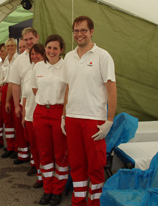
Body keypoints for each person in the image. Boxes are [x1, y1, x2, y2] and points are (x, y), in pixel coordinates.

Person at [61, 16, 117, 206]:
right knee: (76, 164)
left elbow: (111, 88)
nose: (79, 34)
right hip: (72, 118)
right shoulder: (68, 57)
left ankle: (95, 202)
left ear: (91, 31)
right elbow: (69, 87)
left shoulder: (102, 56)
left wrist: (109, 120)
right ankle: (78, 201)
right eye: (76, 30)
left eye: (83, 30)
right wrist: (63, 115)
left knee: (95, 166)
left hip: (93, 120)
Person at [31, 34, 69, 206]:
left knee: (60, 154)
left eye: (55, 48)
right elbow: (34, 89)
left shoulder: (66, 67)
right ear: (44, 49)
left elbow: (70, 91)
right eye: (49, 48)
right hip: (40, 112)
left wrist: (63, 114)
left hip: (58, 112)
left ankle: (58, 190)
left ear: (61, 50)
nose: (51, 51)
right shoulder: (38, 67)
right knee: (44, 153)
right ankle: (47, 189)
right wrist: (44, 102)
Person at [9, 27, 39, 165]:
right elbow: (15, 84)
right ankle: (25, 156)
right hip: (25, 102)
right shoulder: (19, 60)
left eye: (31, 38)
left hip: (42, 103)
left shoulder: (46, 55)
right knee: (26, 133)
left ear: (37, 38)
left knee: (39, 136)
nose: (28, 42)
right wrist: (16, 105)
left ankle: (37, 163)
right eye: (26, 39)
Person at [21, 43, 45, 189]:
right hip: (30, 115)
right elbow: (25, 95)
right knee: (34, 148)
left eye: (38, 54)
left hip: (42, 116)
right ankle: (40, 175)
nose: (35, 57)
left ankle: (49, 176)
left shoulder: (48, 71)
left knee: (45, 149)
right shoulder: (29, 72)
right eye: (32, 54)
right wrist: (24, 114)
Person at [0, 38, 18, 158]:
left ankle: (17, 147)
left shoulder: (18, 59)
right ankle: (10, 146)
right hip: (4, 89)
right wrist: (0, 95)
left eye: (12, 45)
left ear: (15, 46)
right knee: (7, 120)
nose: (10, 47)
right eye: (8, 46)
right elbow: (2, 79)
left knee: (15, 120)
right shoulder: (5, 61)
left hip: (14, 88)